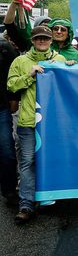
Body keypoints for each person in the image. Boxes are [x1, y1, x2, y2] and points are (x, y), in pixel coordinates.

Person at [7, 26, 68, 225]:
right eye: (38, 38)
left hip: (53, 123)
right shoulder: (20, 61)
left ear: (51, 40)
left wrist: (73, 68)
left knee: (53, 159)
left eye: (45, 38)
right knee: (27, 162)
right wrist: (29, 75)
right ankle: (26, 204)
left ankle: (49, 198)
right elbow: (11, 86)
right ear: (33, 40)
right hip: (28, 121)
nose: (42, 41)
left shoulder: (59, 60)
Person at [0, 32, 19, 206]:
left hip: (1, 108)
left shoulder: (4, 47)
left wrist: (13, 100)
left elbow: (11, 75)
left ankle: (9, 189)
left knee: (6, 152)